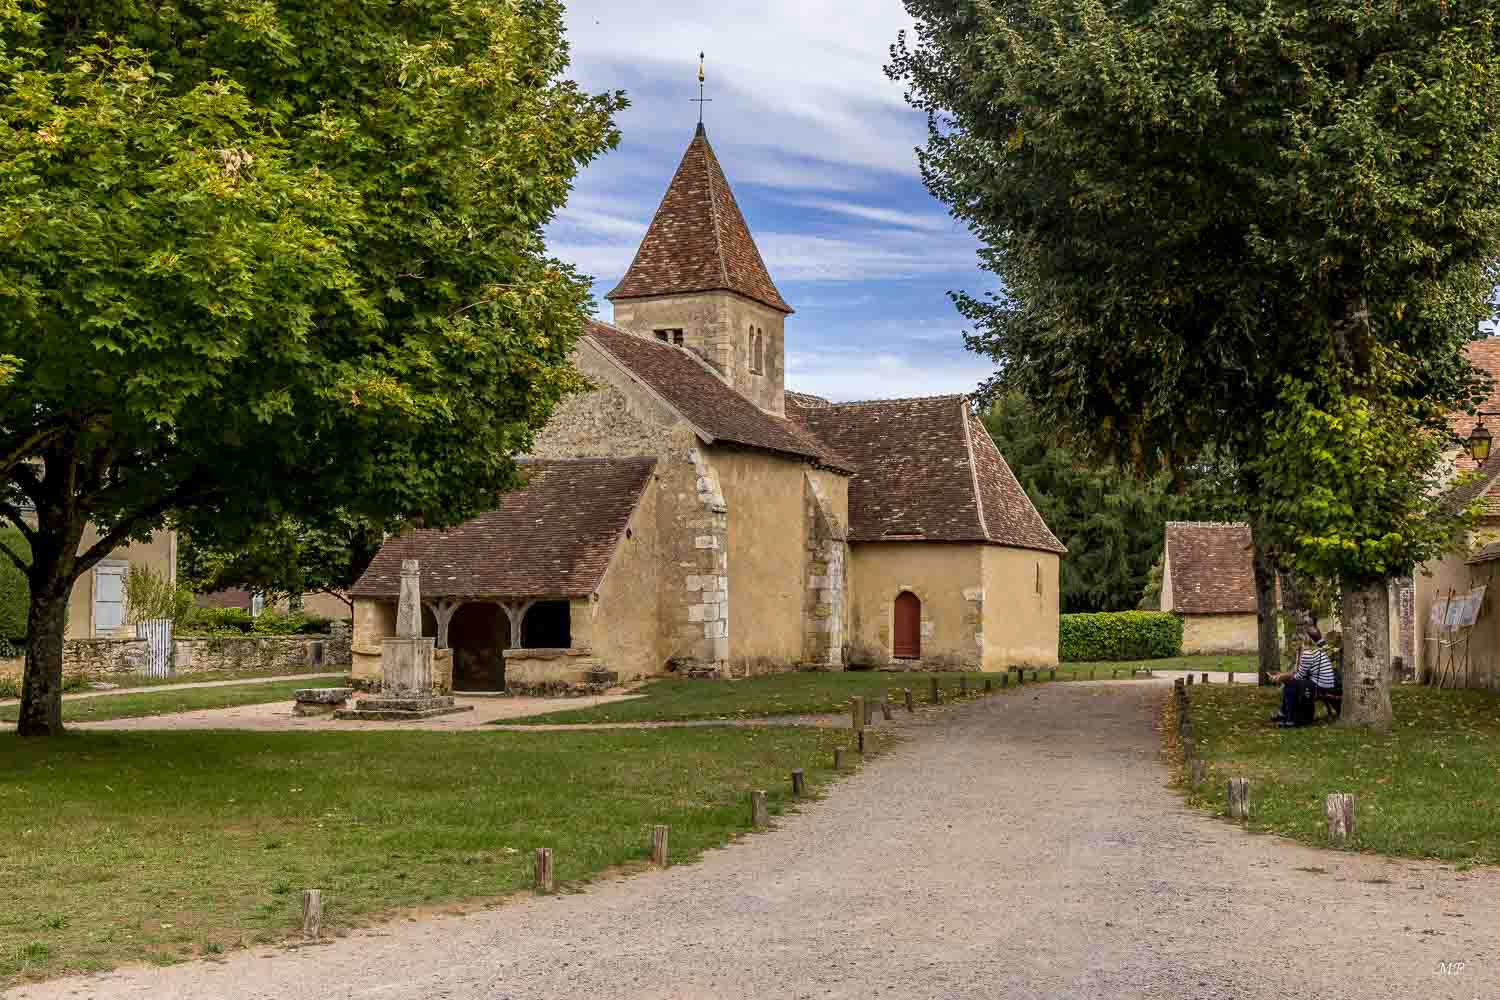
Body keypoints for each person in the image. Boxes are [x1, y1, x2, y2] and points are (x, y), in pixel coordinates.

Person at [1269, 627, 1337, 727]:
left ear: (1303, 641)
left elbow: (1299, 676)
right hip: (1323, 682)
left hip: (1322, 685)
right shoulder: (1309, 650)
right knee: (1289, 682)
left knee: (1290, 683)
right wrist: (1283, 676)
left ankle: (1290, 718)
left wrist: (1282, 678)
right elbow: (1298, 672)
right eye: (1292, 641)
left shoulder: (1307, 653)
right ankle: (1285, 714)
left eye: (1296, 640)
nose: (1293, 643)